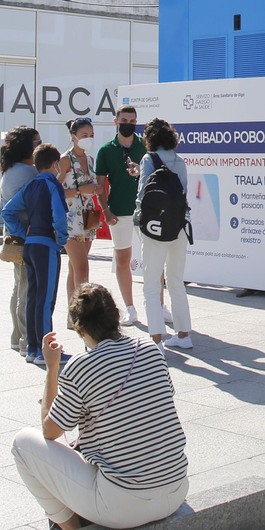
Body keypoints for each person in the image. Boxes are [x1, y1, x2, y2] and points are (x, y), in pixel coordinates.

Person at [11, 283, 188, 530]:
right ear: (116, 316)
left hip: (123, 506)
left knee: (22, 443)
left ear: (79, 328)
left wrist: (52, 369)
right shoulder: (151, 349)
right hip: (176, 489)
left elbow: (50, 431)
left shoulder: (80, 367)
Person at [3, 144, 69, 364]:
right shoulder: (53, 184)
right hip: (46, 246)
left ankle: (32, 348)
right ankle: (45, 351)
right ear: (54, 164)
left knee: (32, 297)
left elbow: (8, 211)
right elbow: (59, 215)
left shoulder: (30, 185)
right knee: (46, 299)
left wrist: (22, 233)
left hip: (30, 246)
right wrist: (62, 238)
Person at [137, 118, 194, 351]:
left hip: (154, 227)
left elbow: (143, 195)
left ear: (149, 139)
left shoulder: (148, 159)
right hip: (179, 226)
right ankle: (183, 335)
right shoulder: (179, 161)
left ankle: (156, 341)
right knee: (176, 282)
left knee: (151, 284)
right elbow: (184, 194)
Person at [95, 106, 148, 327]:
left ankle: (160, 306)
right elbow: (100, 185)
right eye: (124, 119)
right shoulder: (106, 150)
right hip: (118, 212)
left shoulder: (145, 145)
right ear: (116, 121)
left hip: (146, 211)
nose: (129, 123)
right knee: (123, 260)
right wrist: (105, 211)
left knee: (154, 260)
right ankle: (129, 308)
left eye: (133, 120)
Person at [0, 126, 41, 353]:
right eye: (36, 142)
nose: (39, 146)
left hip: (14, 239)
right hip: (25, 239)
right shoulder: (28, 173)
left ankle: (17, 337)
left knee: (19, 288)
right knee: (27, 290)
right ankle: (27, 340)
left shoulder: (10, 169)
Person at [60, 118, 101, 299]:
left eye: (91, 135)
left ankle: (73, 312)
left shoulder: (90, 159)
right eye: (84, 135)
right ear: (73, 136)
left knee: (75, 267)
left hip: (88, 215)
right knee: (82, 268)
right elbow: (54, 191)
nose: (89, 138)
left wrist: (95, 189)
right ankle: (83, 311)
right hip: (70, 217)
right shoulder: (65, 160)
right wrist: (79, 190)